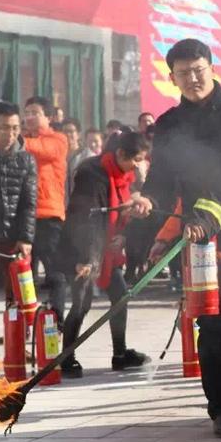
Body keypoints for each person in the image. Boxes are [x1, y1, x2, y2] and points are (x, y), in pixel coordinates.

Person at [143, 39, 221, 439]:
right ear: (172, 77)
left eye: (198, 69)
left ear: (212, 68)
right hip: (202, 239)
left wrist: (212, 211)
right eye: (182, 73)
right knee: (214, 323)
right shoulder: (170, 125)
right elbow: (160, 180)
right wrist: (146, 200)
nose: (192, 79)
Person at [56, 131, 154, 376]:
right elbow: (85, 219)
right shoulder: (92, 173)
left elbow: (124, 211)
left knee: (121, 297)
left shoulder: (127, 176)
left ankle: (120, 355)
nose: (137, 164)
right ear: (121, 154)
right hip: (84, 249)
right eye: (135, 159)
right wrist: (86, 258)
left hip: (108, 250)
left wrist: (124, 234)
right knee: (82, 304)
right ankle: (67, 359)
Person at [0, 102, 37, 328]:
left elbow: (29, 203)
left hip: (14, 238)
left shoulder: (26, 159)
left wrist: (26, 238)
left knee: (18, 296)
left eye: (15, 128)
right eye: (5, 128)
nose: (11, 134)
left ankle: (17, 347)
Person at [23, 96, 68, 319]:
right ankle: (24, 323)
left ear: (48, 117)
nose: (29, 117)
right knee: (22, 273)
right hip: (22, 215)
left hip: (49, 215)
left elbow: (41, 150)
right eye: (27, 112)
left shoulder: (58, 140)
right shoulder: (21, 139)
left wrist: (11, 139)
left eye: (35, 113)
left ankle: (57, 319)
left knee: (54, 272)